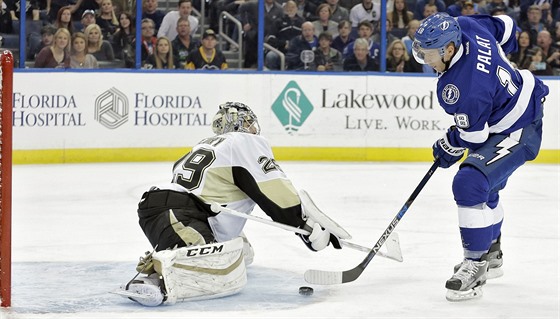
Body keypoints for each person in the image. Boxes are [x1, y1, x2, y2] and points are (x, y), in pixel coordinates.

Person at [117, 102, 345, 306]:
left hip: (174, 208)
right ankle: (153, 273)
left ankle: (179, 249)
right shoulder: (245, 141)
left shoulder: (207, 144)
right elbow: (273, 191)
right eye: (249, 122)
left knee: (242, 255)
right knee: (211, 268)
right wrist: (302, 225)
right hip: (176, 213)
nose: (254, 128)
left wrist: (303, 223)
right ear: (241, 124)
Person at [412, 13, 549, 302]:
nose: (426, 59)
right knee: (486, 189)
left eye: (430, 53)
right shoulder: (467, 25)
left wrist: (449, 142)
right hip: (519, 103)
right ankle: (491, 252)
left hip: (518, 126)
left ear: (449, 49)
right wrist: (501, 65)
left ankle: (475, 264)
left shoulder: (458, 88)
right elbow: (508, 26)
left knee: (469, 183)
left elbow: (474, 137)